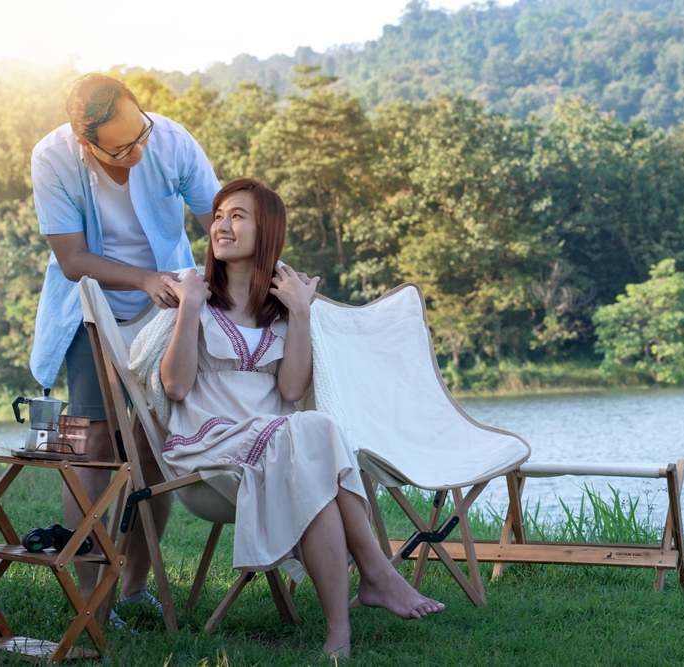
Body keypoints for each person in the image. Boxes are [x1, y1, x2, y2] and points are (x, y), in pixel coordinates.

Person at [157, 178, 444, 658]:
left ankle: (339, 632)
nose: (221, 225)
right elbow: (175, 386)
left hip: (278, 448)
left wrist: (301, 313)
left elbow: (291, 390)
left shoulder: (282, 308)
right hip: (209, 449)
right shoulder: (194, 293)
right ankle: (376, 572)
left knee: (312, 470)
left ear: (266, 230)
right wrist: (189, 306)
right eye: (219, 215)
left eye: (237, 216)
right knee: (315, 431)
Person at [29, 73, 221, 621]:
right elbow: (72, 260)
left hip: (167, 307)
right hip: (90, 307)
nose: (138, 151)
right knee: (90, 443)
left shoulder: (172, 141)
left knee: (154, 443)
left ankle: (134, 588)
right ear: (85, 142)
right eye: (121, 148)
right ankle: (92, 599)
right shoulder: (52, 158)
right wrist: (141, 279)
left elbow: (222, 224)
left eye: (141, 134)